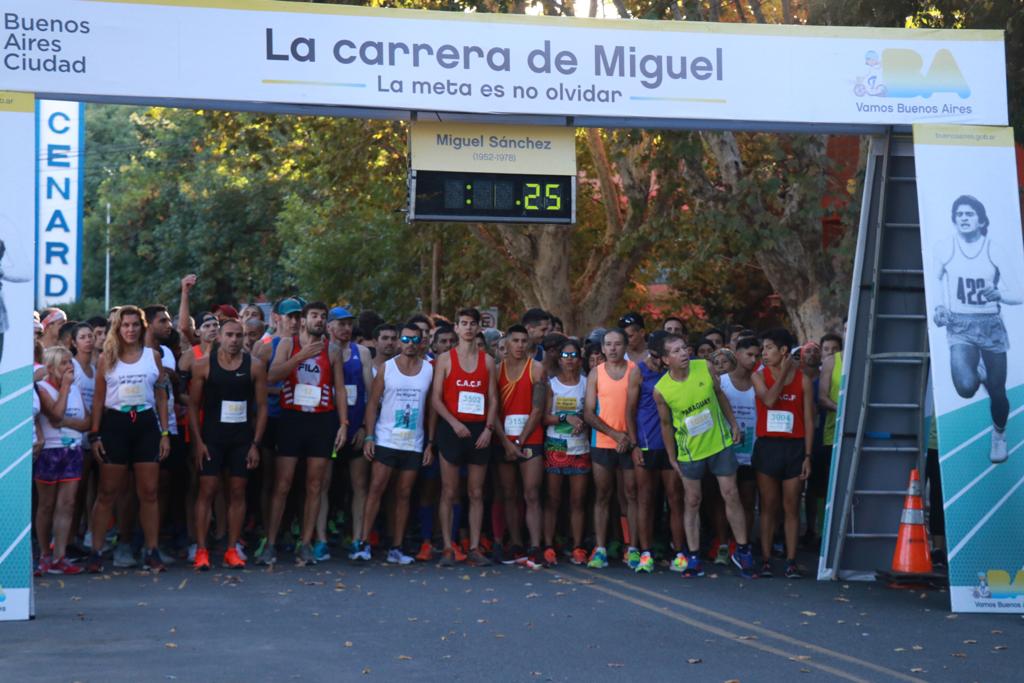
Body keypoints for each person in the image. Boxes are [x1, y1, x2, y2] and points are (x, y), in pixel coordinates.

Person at [653, 333, 756, 579]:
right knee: (692, 500)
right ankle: (693, 556)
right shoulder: (661, 390)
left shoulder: (705, 367)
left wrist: (733, 424)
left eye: (684, 348)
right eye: (676, 351)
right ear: (666, 359)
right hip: (690, 451)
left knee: (731, 494)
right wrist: (671, 457)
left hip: (719, 443)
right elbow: (666, 425)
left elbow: (720, 395)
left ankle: (743, 550)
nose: (683, 353)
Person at [932, 195, 1021, 463]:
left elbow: (1019, 292)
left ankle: (999, 435)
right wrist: (939, 307)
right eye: (959, 214)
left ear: (981, 221)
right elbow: (935, 280)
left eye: (969, 214)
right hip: (960, 324)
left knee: (998, 392)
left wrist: (999, 293)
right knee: (965, 386)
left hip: (990, 325)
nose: (964, 218)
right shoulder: (946, 247)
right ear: (954, 219)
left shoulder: (994, 249)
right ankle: (976, 370)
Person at [260, 302, 348, 566]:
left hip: (321, 420)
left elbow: (340, 389)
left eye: (323, 316)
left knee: (315, 485)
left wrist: (343, 424)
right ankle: (271, 543)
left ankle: (307, 543)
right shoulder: (288, 344)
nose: (319, 320)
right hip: (292, 418)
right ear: (304, 320)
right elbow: (272, 376)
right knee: (283, 484)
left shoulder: (332, 350)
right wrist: (301, 356)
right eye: (314, 316)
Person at [86, 306, 172, 573]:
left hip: (145, 424)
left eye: (135, 325)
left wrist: (165, 433)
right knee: (107, 492)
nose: (130, 329)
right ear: (118, 328)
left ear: (142, 327)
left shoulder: (152, 356)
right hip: (116, 425)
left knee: (149, 492)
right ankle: (96, 552)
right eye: (125, 325)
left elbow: (161, 396)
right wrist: (95, 434)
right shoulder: (107, 358)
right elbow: (98, 399)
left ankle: (152, 551)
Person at [351, 323, 434, 564]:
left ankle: (396, 547)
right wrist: (369, 436)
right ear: (399, 342)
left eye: (414, 340)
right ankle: (363, 543)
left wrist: (430, 443)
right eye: (405, 339)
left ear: (421, 342)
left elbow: (431, 409)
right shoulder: (387, 368)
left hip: (413, 442)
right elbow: (372, 403)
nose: (409, 344)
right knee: (376, 488)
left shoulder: (429, 369)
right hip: (386, 438)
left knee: (404, 494)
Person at [189, 318, 267, 570]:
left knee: (237, 492)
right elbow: (193, 406)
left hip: (241, 439)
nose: (234, 340)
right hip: (212, 438)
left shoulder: (255, 366)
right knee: (207, 490)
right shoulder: (203, 365)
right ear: (219, 337)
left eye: (238, 335)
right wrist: (198, 442)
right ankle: (201, 550)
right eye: (229, 335)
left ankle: (232, 549)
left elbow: (262, 407)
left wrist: (255, 444)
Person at [431, 308, 499, 567]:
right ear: (456, 328)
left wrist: (489, 429)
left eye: (472, 324)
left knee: (476, 492)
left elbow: (493, 399)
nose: (468, 328)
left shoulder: (487, 361)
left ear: (478, 328)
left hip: (479, 430)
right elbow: (436, 399)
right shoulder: (445, 359)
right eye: (464, 323)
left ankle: (474, 547)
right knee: (449, 491)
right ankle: (448, 547)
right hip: (452, 429)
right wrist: (454, 423)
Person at [751, 328, 814, 578]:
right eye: (763, 349)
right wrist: (784, 373)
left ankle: (791, 560)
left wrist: (807, 456)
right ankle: (766, 559)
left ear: (783, 350)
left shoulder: (803, 380)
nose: (764, 353)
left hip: (794, 447)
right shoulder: (759, 376)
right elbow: (769, 400)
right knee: (768, 506)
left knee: (791, 506)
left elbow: (809, 420)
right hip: (768, 446)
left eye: (768, 348)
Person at [583, 328, 642, 569]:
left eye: (617, 344)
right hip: (603, 442)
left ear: (625, 346)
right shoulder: (595, 373)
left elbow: (636, 408)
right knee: (603, 495)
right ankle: (600, 549)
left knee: (630, 495)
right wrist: (615, 435)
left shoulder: (634, 371)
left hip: (629, 442)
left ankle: (632, 547)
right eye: (608, 344)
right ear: (603, 348)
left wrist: (627, 438)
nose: (613, 348)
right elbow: (588, 413)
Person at [493, 324, 547, 568]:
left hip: (529, 438)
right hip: (503, 439)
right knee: (509, 494)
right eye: (515, 341)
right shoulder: (496, 371)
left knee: (531, 493)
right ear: (507, 343)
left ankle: (535, 546)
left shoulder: (536, 369)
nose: (520, 345)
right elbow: (492, 410)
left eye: (524, 341)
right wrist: (506, 442)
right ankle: (515, 543)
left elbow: (537, 410)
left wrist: (519, 441)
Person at [35, 347, 90, 575]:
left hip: (73, 450)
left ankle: (60, 555)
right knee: (46, 505)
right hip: (50, 451)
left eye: (70, 363)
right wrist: (65, 388)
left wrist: (66, 423)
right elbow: (54, 414)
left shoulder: (76, 389)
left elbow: (87, 423)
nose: (69, 367)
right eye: (64, 363)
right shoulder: (42, 388)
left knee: (67, 504)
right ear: (50, 368)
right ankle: (44, 555)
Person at [634, 331, 686, 573]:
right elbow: (629, 409)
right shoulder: (639, 371)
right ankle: (645, 553)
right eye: (654, 357)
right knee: (645, 499)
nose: (656, 362)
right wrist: (634, 444)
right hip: (647, 442)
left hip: (673, 443)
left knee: (675, 498)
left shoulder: (677, 371)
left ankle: (680, 552)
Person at [325, 306, 372, 563]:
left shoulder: (361, 352)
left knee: (359, 485)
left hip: (355, 428)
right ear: (329, 327)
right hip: (327, 428)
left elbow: (370, 394)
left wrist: (365, 427)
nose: (346, 329)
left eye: (349, 324)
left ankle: (358, 539)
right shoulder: (321, 351)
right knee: (321, 485)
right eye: (341, 324)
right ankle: (319, 540)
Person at [542, 338, 591, 566]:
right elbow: (544, 418)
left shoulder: (587, 383)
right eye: (565, 356)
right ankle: (548, 546)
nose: (569, 360)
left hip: (580, 446)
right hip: (556, 444)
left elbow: (592, 413)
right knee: (553, 499)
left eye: (574, 356)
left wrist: (582, 421)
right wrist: (565, 417)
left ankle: (578, 546)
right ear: (559, 360)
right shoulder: (551, 384)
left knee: (578, 500)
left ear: (580, 360)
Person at [721, 337, 761, 536]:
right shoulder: (722, 381)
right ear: (737, 354)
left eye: (757, 355)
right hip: (725, 450)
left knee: (747, 500)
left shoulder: (759, 381)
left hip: (751, 451)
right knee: (723, 499)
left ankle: (743, 544)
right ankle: (722, 542)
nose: (753, 360)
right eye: (749, 354)